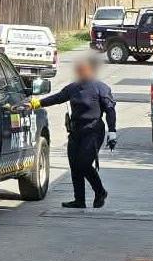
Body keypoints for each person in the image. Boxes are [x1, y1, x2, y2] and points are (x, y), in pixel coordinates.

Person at [29, 56, 116, 208]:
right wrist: (38, 103)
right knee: (75, 165)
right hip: (76, 131)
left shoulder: (100, 88)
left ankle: (100, 191)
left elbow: (110, 110)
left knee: (84, 163)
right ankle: (79, 200)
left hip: (93, 131)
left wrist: (112, 131)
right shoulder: (73, 88)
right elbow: (58, 98)